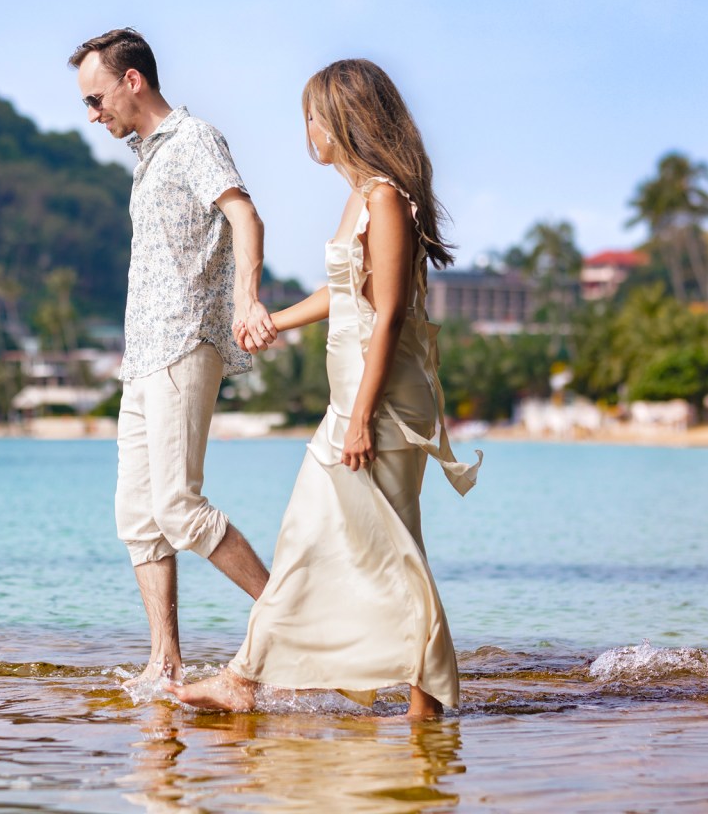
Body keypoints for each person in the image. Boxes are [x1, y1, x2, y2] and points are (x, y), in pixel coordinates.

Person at [173, 58, 482, 719]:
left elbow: (391, 312)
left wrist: (363, 417)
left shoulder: (384, 199)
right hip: (354, 398)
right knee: (348, 541)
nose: (305, 128)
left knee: (368, 543)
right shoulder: (362, 195)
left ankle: (254, 679)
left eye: (310, 114)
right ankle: (419, 701)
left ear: (341, 121)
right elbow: (344, 293)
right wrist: (274, 322)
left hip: (381, 401)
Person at [69, 28, 278, 689]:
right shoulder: (147, 157)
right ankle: (165, 663)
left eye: (96, 98)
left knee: (178, 507)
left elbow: (245, 216)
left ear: (133, 81)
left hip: (186, 341)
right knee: (138, 515)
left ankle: (293, 620)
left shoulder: (193, 139)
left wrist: (247, 299)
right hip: (144, 354)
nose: (92, 114)